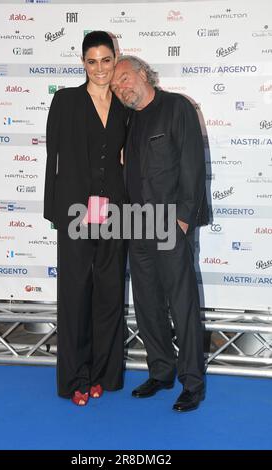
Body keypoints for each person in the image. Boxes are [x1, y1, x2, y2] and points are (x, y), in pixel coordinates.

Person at [111, 56, 209, 412]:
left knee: (182, 305)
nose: (121, 88)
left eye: (124, 78)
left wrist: (183, 219)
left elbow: (192, 164)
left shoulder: (176, 107)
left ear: (142, 73)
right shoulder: (129, 120)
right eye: (116, 86)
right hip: (137, 224)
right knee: (147, 303)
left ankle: (192, 383)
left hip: (170, 223)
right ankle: (161, 371)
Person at [44, 31, 128, 406]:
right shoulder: (65, 100)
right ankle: (75, 377)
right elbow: (52, 159)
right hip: (76, 211)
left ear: (115, 59)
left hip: (116, 211)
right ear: (83, 63)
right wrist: (55, 210)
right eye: (92, 61)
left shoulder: (126, 103)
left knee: (109, 292)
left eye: (106, 60)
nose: (99, 69)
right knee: (75, 293)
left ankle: (103, 373)